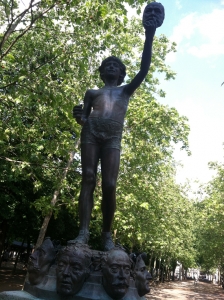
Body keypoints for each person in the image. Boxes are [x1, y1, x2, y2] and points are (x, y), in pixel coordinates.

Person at [72, 2, 165, 250]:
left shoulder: (126, 91)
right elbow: (84, 118)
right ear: (102, 72)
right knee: (88, 178)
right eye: (107, 65)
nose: (112, 66)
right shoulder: (92, 92)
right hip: (91, 132)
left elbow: (144, 69)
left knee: (110, 185)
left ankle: (106, 235)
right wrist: (79, 115)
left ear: (122, 74)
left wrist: (149, 34)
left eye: (117, 65)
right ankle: (82, 233)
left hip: (113, 137)